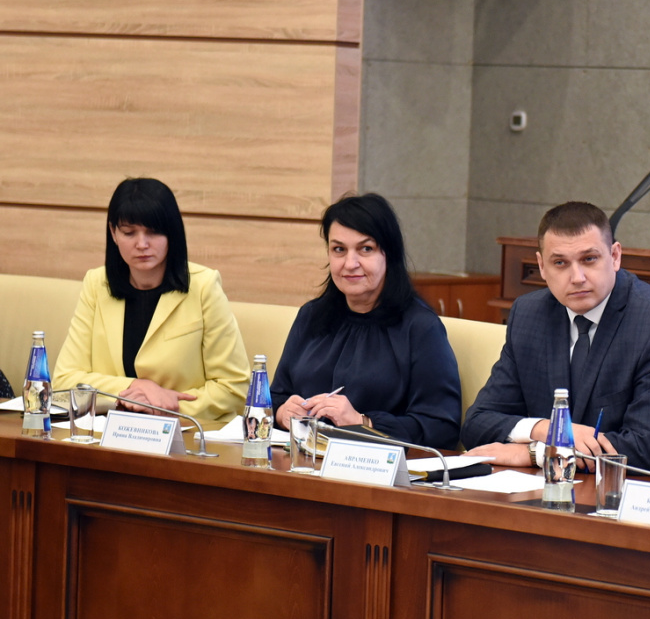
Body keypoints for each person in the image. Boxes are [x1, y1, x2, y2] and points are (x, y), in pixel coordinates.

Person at [461, 201, 650, 480]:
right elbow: (478, 423)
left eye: (589, 259)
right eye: (560, 263)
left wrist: (536, 453)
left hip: (646, 489)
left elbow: (644, 446)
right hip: (558, 485)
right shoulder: (529, 315)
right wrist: (544, 429)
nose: (577, 278)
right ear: (541, 266)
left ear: (615, 256)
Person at [271, 193, 461, 451]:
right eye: (339, 250)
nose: (350, 264)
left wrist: (363, 423)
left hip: (376, 468)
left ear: (388, 253)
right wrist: (282, 412)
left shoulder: (421, 328)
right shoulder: (311, 316)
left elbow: (442, 427)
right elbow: (274, 396)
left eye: (366, 249)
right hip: (302, 461)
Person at [54, 178, 250, 421]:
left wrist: (160, 408)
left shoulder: (203, 286)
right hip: (111, 432)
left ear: (172, 233)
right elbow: (64, 382)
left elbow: (234, 388)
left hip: (186, 433)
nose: (142, 244)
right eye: (129, 233)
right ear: (113, 233)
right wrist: (136, 387)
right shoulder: (97, 284)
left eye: (153, 232)